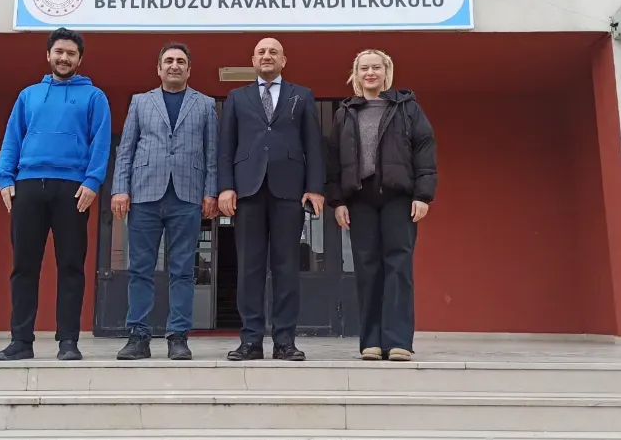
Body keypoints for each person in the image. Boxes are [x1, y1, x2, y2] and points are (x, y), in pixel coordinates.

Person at [0, 28, 111, 361]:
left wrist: (92, 181)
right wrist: (4, 177)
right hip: (28, 184)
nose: (64, 58)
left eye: (71, 53)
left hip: (73, 189)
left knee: (71, 265)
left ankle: (68, 341)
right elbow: (12, 138)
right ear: (48, 55)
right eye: (59, 52)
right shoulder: (28, 95)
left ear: (79, 59)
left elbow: (101, 141)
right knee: (24, 266)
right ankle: (20, 341)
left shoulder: (94, 97)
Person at [217, 37, 325, 362]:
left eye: (273, 52)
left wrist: (315, 187)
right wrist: (226, 187)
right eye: (261, 52)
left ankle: (284, 342)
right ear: (253, 60)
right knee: (249, 268)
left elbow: (313, 145)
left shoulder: (302, 95)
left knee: (286, 268)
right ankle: (250, 341)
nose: (267, 56)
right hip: (247, 191)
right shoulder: (237, 97)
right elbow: (226, 147)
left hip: (289, 191)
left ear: (283, 60)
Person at [325, 49, 436, 362]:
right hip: (360, 199)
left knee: (398, 266)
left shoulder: (407, 108)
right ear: (356, 74)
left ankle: (399, 341)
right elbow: (333, 160)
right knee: (367, 268)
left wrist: (423, 195)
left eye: (376, 67)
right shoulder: (345, 112)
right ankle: (371, 342)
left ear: (387, 72)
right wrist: (338, 201)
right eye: (364, 68)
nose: (370, 73)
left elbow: (424, 150)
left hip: (398, 197)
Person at [111, 42, 219, 361]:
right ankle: (138, 335)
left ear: (189, 70)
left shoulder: (205, 104)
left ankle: (178, 336)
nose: (174, 65)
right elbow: (126, 149)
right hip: (144, 194)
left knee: (183, 269)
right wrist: (120, 188)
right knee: (140, 269)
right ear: (159, 69)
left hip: (187, 195)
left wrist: (210, 192)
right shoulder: (140, 102)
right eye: (168, 61)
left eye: (180, 61)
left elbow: (212, 153)